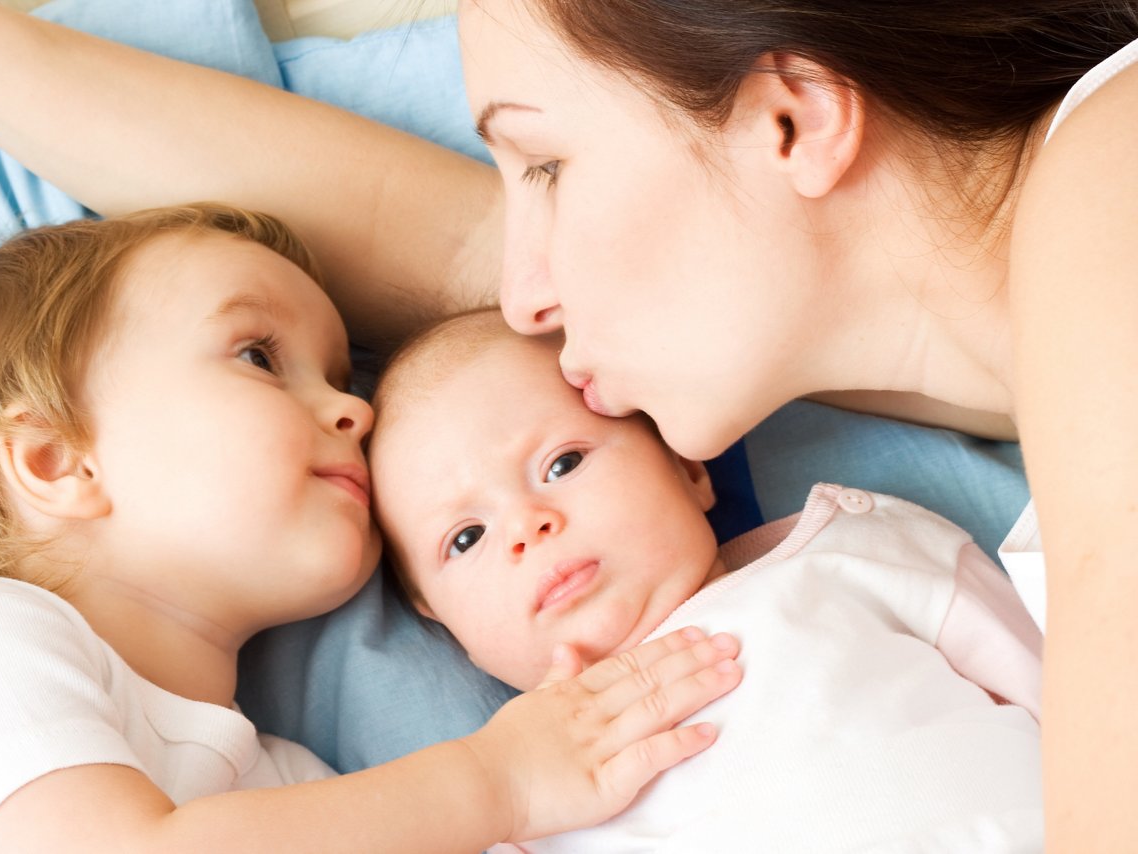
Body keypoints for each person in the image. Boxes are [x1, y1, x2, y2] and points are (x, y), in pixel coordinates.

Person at [0, 0, 1135, 841]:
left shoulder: (1107, 176)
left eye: (543, 165)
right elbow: (418, 236)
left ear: (789, 118)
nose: (521, 289)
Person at [0, 204, 744, 853]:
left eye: (338, 378)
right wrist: (497, 782)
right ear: (59, 463)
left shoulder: (291, 784)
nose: (352, 411)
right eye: (258, 357)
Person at [368, 309, 1045, 851]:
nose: (527, 525)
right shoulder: (522, 801)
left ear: (688, 470)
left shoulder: (857, 549)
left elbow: (1069, 695)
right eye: (466, 538)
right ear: (442, 622)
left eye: (563, 462)